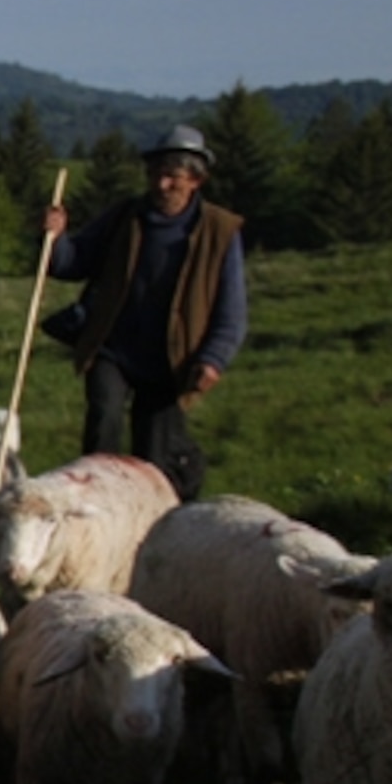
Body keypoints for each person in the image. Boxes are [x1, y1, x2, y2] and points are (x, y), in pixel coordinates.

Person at [39, 123, 245, 501]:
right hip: (112, 347)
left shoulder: (220, 232)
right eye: (156, 174)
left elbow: (231, 310)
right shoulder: (124, 218)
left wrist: (213, 359)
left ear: (196, 181)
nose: (162, 185)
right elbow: (73, 262)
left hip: (171, 359)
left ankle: (158, 519)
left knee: (156, 450)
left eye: (173, 177)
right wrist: (56, 238)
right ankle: (94, 504)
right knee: (105, 418)